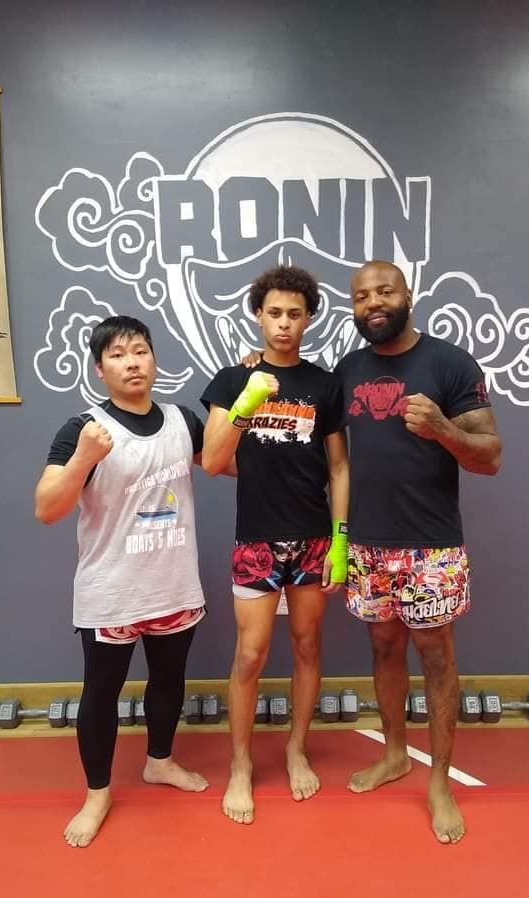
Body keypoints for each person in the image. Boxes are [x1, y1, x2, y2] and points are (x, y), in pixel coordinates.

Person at [335, 260, 502, 844]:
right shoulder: (349, 369)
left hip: (431, 546)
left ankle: (439, 783)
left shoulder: (450, 363)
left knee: (436, 658)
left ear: (408, 295)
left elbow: (490, 456)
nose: (373, 303)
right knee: (383, 650)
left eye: (384, 291)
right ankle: (395, 755)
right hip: (368, 545)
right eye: (361, 296)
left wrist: (442, 430)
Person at [34, 315, 214, 848]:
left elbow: (224, 460)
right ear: (100, 368)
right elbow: (47, 508)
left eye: (140, 350)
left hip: (174, 584)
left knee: (168, 681)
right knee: (102, 692)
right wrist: (84, 459)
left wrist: (242, 397)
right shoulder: (83, 429)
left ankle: (159, 761)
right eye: (118, 354)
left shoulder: (184, 421)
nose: (132, 361)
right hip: (111, 591)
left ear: (154, 359)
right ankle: (97, 792)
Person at [201, 265, 349, 825]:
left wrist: (340, 541)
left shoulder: (325, 384)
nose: (283, 324)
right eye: (274, 314)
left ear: (308, 318)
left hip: (313, 540)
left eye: (294, 314)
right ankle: (240, 764)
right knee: (249, 654)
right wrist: (245, 401)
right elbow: (214, 461)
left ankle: (295, 748)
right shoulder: (232, 378)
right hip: (256, 539)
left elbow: (338, 466)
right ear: (258, 316)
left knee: (308, 647)